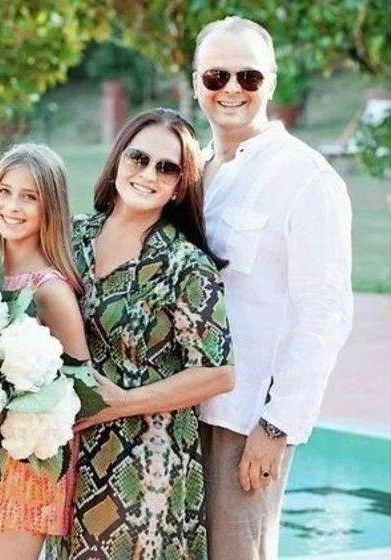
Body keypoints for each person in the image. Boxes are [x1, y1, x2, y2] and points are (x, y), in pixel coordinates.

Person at [192, 16, 353, 559]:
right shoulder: (194, 170)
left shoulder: (306, 178)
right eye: (216, 76)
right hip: (179, 410)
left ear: (272, 81)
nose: (231, 89)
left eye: (249, 76)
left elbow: (325, 312)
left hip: (245, 421)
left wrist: (277, 426)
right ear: (198, 83)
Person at [62, 109, 235, 559]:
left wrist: (122, 402)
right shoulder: (72, 236)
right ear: (118, 158)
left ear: (179, 186)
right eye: (138, 158)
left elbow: (219, 374)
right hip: (70, 453)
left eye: (166, 168)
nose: (148, 174)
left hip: (147, 467)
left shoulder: (184, 264)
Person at [0, 143, 89, 560]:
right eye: (4, 192)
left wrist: (25, 410)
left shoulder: (50, 290)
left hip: (28, 461)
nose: (12, 206)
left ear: (50, 208)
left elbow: (81, 386)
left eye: (29, 197)